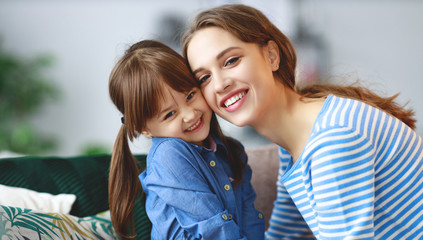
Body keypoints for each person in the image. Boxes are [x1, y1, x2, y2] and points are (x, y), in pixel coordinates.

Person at [182, 4, 423, 240]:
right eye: (204, 78)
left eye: (231, 61)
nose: (220, 84)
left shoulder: (331, 139)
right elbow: (284, 233)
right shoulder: (296, 143)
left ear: (271, 56)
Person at [108, 39, 265, 240]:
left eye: (190, 95)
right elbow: (214, 230)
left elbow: (250, 218)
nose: (190, 115)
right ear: (144, 129)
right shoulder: (169, 155)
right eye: (169, 114)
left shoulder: (232, 151)